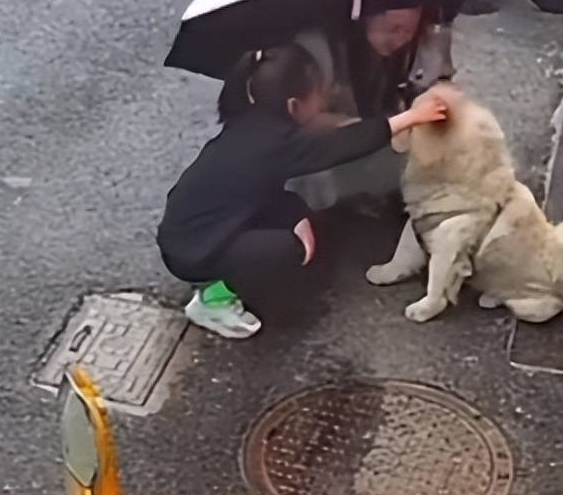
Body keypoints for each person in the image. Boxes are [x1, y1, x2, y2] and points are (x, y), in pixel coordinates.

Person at [158, 43, 447, 338]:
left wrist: (297, 216)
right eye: (320, 91)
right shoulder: (277, 144)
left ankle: (225, 271)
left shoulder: (251, 122)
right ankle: (213, 298)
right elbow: (344, 145)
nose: (327, 94)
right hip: (190, 251)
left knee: (293, 208)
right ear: (294, 106)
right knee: (286, 251)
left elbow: (260, 190)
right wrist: (412, 118)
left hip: (196, 226)